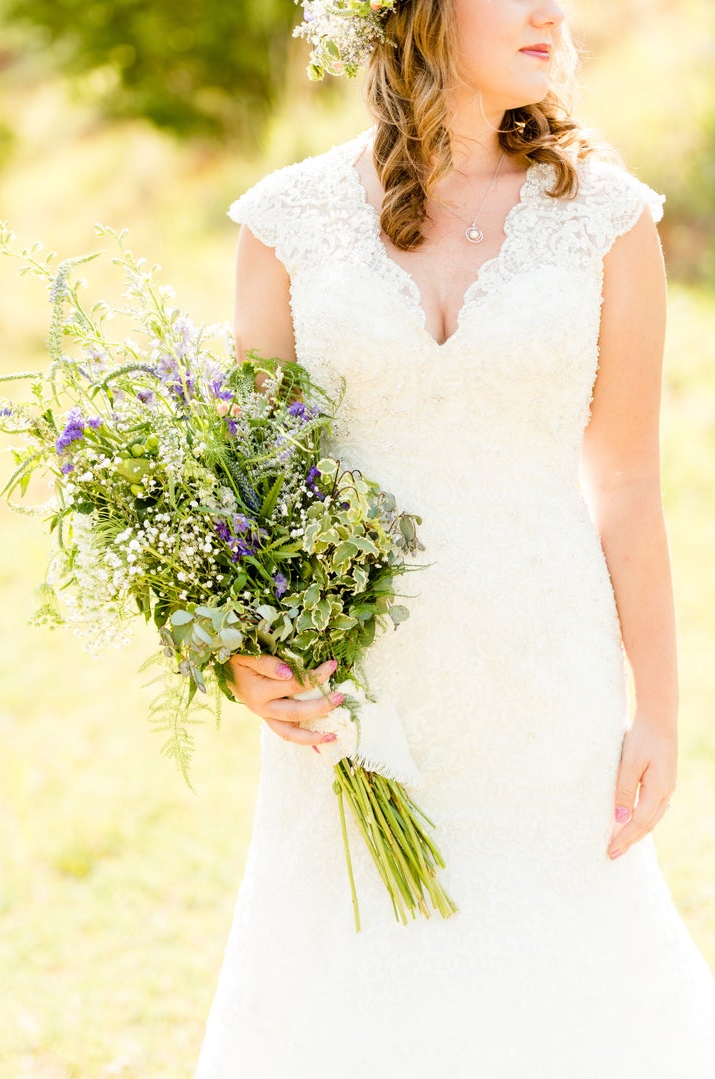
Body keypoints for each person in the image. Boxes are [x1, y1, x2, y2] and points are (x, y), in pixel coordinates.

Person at [194, 1, 715, 1074]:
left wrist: (658, 708)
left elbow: (623, 479)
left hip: (545, 676)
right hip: (357, 695)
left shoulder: (609, 222)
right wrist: (239, 655)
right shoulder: (286, 221)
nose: (548, 10)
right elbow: (249, 484)